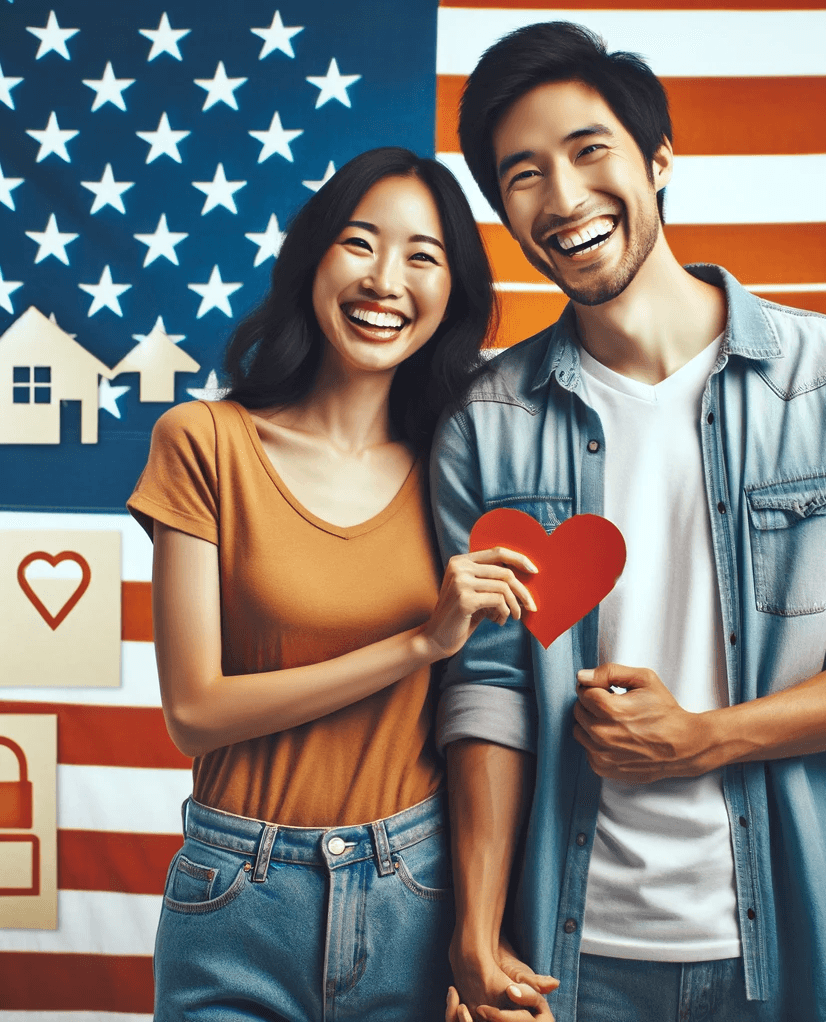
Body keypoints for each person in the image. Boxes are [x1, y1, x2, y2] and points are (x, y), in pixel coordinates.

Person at [433, 23, 826, 1022]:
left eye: (588, 151)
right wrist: (473, 930)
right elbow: (484, 686)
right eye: (522, 175)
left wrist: (707, 737)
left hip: (790, 944)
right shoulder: (487, 420)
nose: (561, 198)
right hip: (563, 959)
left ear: (658, 160)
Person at [127, 147, 541, 1021]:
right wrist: (418, 643)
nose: (386, 280)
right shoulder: (204, 442)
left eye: (422, 257)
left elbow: (495, 703)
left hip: (418, 891)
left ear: (452, 294)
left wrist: (478, 923)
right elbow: (194, 711)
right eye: (360, 243)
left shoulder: (462, 465)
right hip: (238, 891)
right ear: (312, 258)